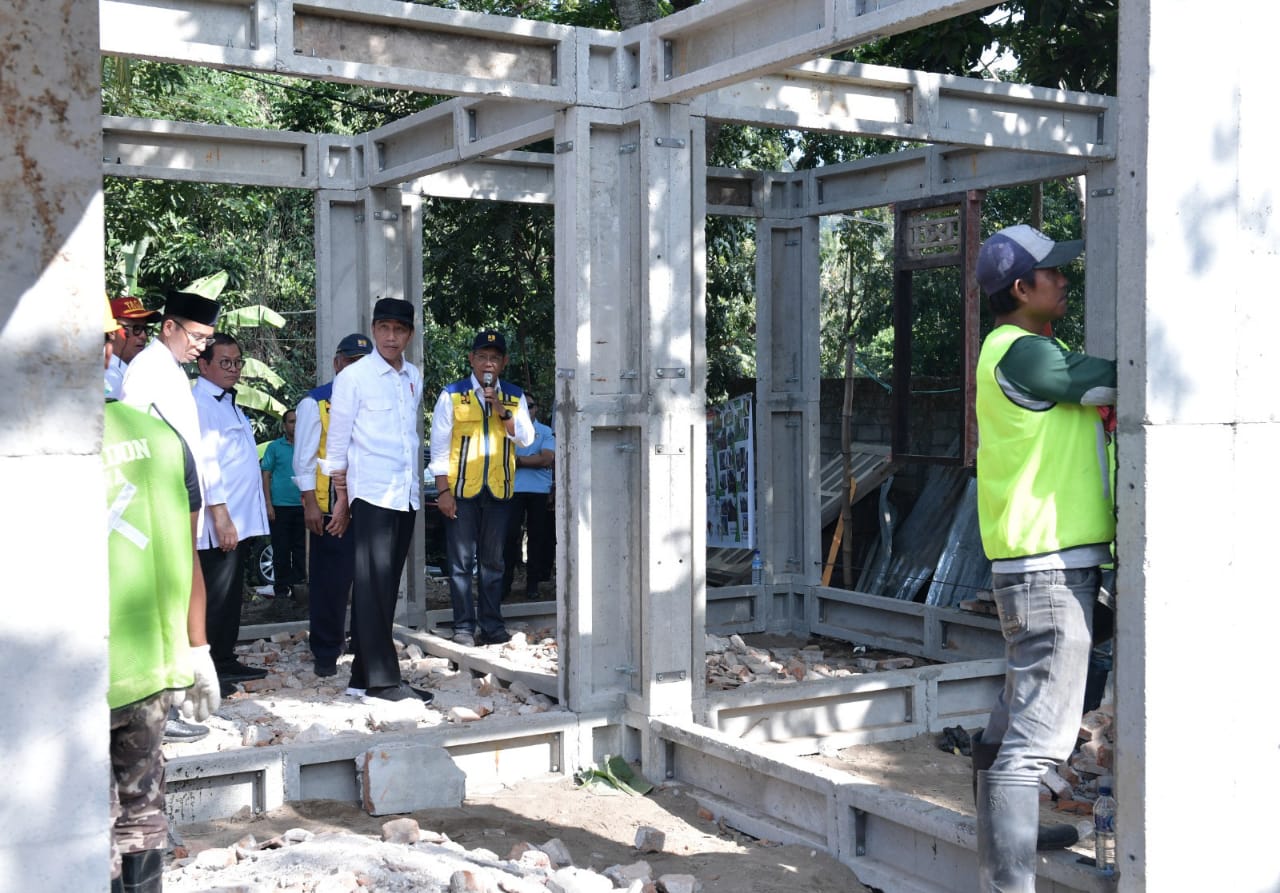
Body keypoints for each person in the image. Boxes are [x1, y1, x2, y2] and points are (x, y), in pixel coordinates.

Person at [972, 224, 1117, 891]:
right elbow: (1116, 378)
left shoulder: (1026, 351)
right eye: (1051, 273)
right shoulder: (1022, 353)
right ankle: (1008, 879)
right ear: (1020, 288)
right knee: (1033, 742)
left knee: (1013, 723)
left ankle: (1012, 837)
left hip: (1042, 564)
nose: (1064, 279)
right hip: (1047, 569)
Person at [103, 300, 220, 893]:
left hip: (80, 667)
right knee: (141, 807)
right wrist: (194, 648)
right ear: (109, 346)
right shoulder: (158, 435)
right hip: (147, 660)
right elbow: (183, 552)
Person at [119, 287, 226, 736]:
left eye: (207, 337)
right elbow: (131, 437)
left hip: (184, 489)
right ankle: (167, 702)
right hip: (159, 493)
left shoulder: (173, 370)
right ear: (169, 327)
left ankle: (182, 687)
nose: (201, 345)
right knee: (167, 590)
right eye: (197, 336)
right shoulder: (146, 369)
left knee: (184, 579)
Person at [322, 300, 432, 703]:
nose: (390, 337)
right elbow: (338, 441)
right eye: (383, 328)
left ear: (409, 335)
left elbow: (408, 437)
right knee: (370, 586)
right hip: (370, 493)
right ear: (372, 329)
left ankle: (362, 676)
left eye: (399, 330)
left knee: (385, 588)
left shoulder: (413, 377)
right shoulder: (354, 377)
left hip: (404, 494)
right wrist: (341, 498)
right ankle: (384, 683)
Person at [429, 330, 534, 647]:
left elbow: (526, 440)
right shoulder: (452, 394)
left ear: (503, 363)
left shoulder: (514, 397)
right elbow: (438, 448)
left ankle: (492, 626)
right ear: (472, 359)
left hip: (499, 492)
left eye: (495, 358)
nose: (488, 363)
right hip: (461, 492)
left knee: (494, 564)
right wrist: (443, 492)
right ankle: (463, 626)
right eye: (482, 357)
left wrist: (503, 412)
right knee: (460, 564)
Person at [193, 332, 271, 694]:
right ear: (203, 364)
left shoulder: (228, 403)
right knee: (215, 594)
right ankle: (209, 667)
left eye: (237, 362)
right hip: (220, 520)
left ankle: (224, 657)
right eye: (225, 362)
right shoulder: (202, 403)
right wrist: (221, 516)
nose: (234, 369)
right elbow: (207, 465)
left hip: (239, 518)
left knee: (231, 592)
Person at [292, 332, 372, 678]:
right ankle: (326, 650)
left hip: (368, 504)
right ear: (338, 363)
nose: (357, 369)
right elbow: (304, 459)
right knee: (330, 581)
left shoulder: (372, 401)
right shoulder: (316, 402)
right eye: (351, 362)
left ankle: (361, 643)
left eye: (364, 364)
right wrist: (310, 503)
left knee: (369, 579)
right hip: (329, 507)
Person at [500, 393, 555, 601]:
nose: (527, 410)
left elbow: (546, 458)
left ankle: (533, 585)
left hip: (539, 491)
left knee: (537, 538)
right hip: (512, 490)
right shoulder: (507, 430)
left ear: (536, 408)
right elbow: (503, 459)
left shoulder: (545, 431)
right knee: (509, 538)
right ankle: (505, 586)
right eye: (522, 406)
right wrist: (532, 460)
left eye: (530, 406)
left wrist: (518, 462)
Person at [260, 409, 305, 598]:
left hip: (304, 506)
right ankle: (281, 593)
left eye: (298, 421)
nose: (295, 425)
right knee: (281, 550)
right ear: (285, 425)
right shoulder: (274, 447)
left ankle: (299, 590)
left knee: (302, 550)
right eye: (292, 421)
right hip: (280, 507)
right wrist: (268, 504)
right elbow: (266, 475)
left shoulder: (308, 446)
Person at [104, 295, 161, 398]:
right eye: (136, 329)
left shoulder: (129, 370)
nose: (143, 336)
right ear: (112, 332)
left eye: (145, 329)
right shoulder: (108, 377)